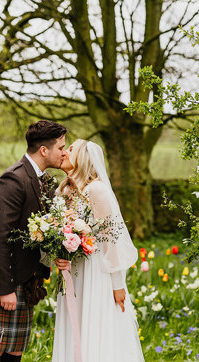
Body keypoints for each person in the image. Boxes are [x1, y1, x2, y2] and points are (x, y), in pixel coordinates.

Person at [0, 120, 68, 362]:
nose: (65, 152)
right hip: (3, 277)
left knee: (15, 349)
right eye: (61, 147)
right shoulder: (13, 180)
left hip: (25, 276)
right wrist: (5, 289)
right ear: (44, 150)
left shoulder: (43, 180)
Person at [52, 139, 144, 362]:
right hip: (73, 273)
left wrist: (117, 284)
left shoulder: (97, 190)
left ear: (83, 157)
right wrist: (59, 256)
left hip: (96, 273)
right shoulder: (63, 191)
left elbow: (112, 240)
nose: (64, 153)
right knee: (75, 328)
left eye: (70, 149)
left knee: (96, 326)